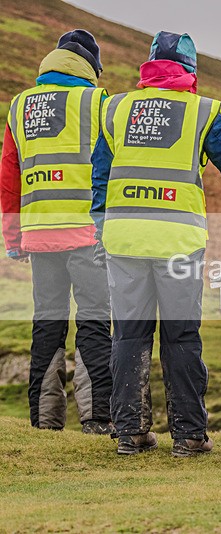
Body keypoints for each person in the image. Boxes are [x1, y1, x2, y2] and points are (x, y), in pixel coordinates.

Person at [91, 31, 221, 456]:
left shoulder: (116, 109)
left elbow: (100, 177)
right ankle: (189, 436)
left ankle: (130, 434)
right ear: (191, 72)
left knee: (128, 336)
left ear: (148, 66)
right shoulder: (202, 112)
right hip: (178, 240)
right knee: (180, 337)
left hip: (123, 239)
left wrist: (101, 229)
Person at [1, 30, 113, 434]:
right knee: (95, 322)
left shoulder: (20, 107)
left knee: (47, 323)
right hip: (87, 234)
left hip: (39, 235)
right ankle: (98, 418)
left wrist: (14, 240)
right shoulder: (97, 103)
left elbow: (9, 178)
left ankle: (44, 423)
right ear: (90, 68)